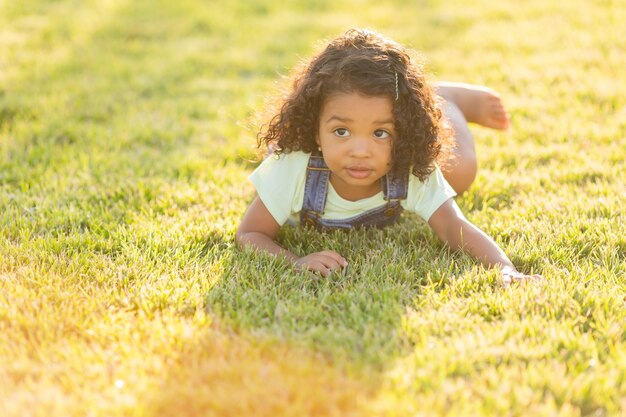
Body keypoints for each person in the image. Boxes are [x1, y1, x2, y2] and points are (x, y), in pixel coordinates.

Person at [235, 28, 541, 285]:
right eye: (341, 131)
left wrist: (504, 268)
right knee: (278, 151)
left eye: (380, 133)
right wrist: (295, 262)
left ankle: (446, 100)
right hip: (295, 151)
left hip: (423, 125)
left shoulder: (406, 166)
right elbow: (251, 233)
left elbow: (452, 226)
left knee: (460, 171)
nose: (360, 151)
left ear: (403, 131)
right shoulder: (294, 165)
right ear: (316, 130)